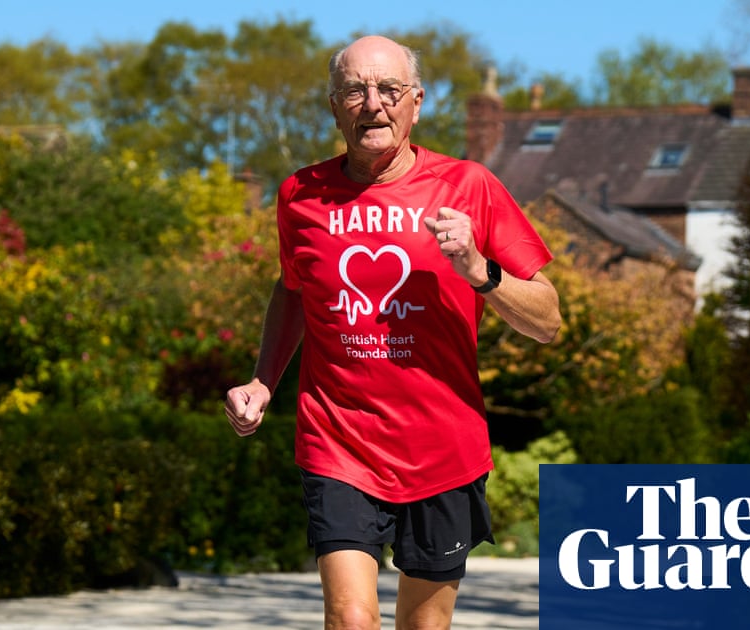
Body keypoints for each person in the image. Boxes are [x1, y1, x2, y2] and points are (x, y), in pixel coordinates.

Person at [224, 35, 560, 629]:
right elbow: (294, 289)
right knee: (351, 618)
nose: (372, 104)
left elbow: (548, 320)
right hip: (339, 440)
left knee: (422, 626)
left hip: (443, 450)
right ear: (334, 105)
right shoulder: (300, 196)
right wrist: (263, 379)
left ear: (417, 102)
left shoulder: (469, 187)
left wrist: (480, 272)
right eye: (354, 90)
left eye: (389, 90)